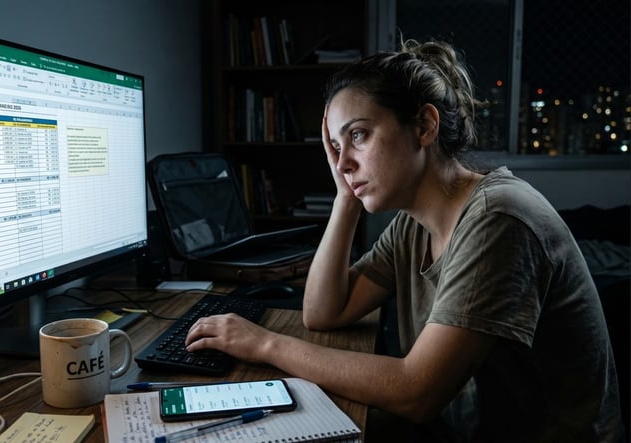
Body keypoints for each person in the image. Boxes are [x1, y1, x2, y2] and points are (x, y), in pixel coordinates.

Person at [185, 39, 623, 442]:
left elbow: (417, 391)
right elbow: (324, 312)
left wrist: (265, 343)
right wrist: (344, 198)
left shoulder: (497, 219)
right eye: (336, 147)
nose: (344, 163)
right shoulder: (413, 223)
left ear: (424, 126)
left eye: (358, 135)